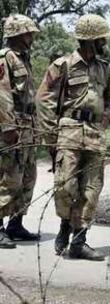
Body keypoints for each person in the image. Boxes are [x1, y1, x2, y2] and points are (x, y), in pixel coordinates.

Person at [36, 14, 110, 261]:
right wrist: (51, 136)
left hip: (95, 133)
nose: (105, 41)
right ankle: (65, 225)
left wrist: (107, 116)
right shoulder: (63, 65)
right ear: (91, 40)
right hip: (69, 131)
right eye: (102, 37)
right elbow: (44, 99)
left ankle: (79, 240)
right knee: (66, 186)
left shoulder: (104, 68)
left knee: (91, 188)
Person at [0, 14, 41, 249]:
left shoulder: (23, 59)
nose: (31, 36)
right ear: (16, 34)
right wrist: (8, 127)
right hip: (13, 125)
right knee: (8, 178)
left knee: (28, 176)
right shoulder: (5, 59)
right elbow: (2, 94)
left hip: (27, 124)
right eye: (28, 33)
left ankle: (16, 224)